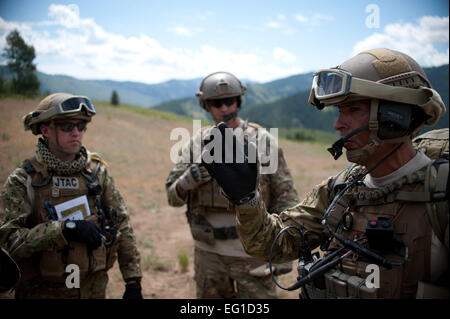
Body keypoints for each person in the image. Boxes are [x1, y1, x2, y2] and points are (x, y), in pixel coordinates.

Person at [202, 49, 448, 299]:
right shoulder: (343, 189)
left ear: (396, 115)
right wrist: (246, 199)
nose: (338, 125)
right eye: (340, 111)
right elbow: (274, 242)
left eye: (352, 110)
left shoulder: (440, 197)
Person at [165, 71, 299, 298]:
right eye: (216, 103)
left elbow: (286, 198)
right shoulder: (195, 145)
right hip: (209, 254)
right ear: (206, 105)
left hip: (254, 252)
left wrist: (283, 252)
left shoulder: (263, 141)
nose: (224, 108)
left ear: (239, 101)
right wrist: (189, 180)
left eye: (229, 101)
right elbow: (172, 197)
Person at [0, 93, 142, 299]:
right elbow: (7, 243)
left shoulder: (96, 174)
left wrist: (133, 281)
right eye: (66, 126)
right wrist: (63, 230)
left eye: (81, 125)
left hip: (93, 290)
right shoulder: (25, 180)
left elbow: (122, 226)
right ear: (45, 130)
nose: (76, 132)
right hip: (41, 292)